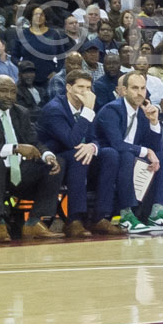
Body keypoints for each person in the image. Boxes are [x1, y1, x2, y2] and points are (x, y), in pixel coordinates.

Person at [0, 76, 64, 242]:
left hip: (20, 171)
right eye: (4, 90)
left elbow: (34, 142)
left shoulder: (21, 112)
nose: (9, 96)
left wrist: (47, 155)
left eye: (13, 92)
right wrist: (15, 148)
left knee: (57, 163)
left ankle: (34, 221)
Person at [36, 70, 128, 238]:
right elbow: (71, 141)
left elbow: (97, 138)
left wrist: (92, 147)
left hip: (80, 159)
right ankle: (74, 220)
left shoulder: (87, 108)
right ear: (68, 88)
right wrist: (88, 111)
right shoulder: (54, 109)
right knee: (77, 155)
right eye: (80, 87)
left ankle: (101, 217)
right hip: (55, 162)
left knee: (110, 154)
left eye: (88, 88)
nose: (85, 92)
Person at [95, 71, 163, 232]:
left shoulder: (144, 111)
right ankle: (126, 214)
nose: (140, 93)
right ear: (123, 91)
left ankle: (158, 213)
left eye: (143, 88)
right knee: (126, 155)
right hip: (106, 159)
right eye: (135, 88)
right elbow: (116, 143)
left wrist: (154, 122)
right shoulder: (111, 110)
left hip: (131, 155)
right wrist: (146, 151)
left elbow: (155, 149)